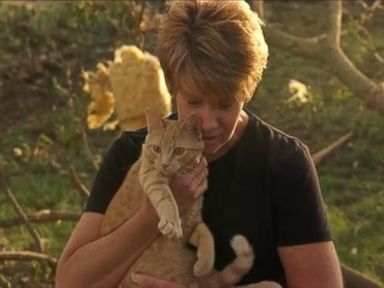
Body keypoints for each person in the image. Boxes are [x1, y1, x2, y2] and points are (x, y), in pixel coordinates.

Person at [55, 1, 344, 287]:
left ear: (247, 89)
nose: (207, 123)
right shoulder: (131, 153)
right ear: (172, 85)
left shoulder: (282, 163)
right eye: (193, 101)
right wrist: (152, 215)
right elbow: (70, 282)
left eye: (224, 104)